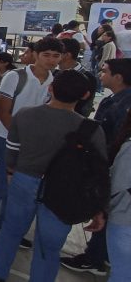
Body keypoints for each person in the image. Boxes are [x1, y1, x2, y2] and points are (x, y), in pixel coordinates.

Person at [0, 70, 106, 282]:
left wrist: (11, 174)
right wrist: (98, 208)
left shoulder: (25, 115)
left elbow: (11, 154)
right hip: (64, 191)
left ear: (50, 88)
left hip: (24, 180)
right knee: (48, 247)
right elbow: (97, 172)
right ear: (86, 95)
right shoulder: (91, 130)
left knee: (11, 230)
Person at [0, 38, 62, 248]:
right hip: (6, 137)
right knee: (2, 183)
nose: (51, 60)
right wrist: (20, 138)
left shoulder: (54, 81)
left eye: (56, 56)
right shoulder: (16, 77)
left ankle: (4, 223)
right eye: (46, 55)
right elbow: (3, 112)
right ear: (35, 55)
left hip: (31, 144)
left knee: (17, 186)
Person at [61, 58, 131, 276]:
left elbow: (111, 140)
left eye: (105, 71)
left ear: (118, 77)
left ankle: (95, 257)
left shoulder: (122, 106)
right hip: (107, 164)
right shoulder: (114, 100)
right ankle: (103, 254)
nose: (101, 75)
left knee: (108, 210)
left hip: (111, 168)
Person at [105, 111, 131, 282]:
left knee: (122, 274)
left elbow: (117, 186)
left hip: (124, 220)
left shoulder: (129, 149)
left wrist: (101, 209)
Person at [57, 38, 98, 117]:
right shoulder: (54, 73)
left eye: (56, 53)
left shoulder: (88, 78)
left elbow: (85, 108)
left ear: (67, 55)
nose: (52, 57)